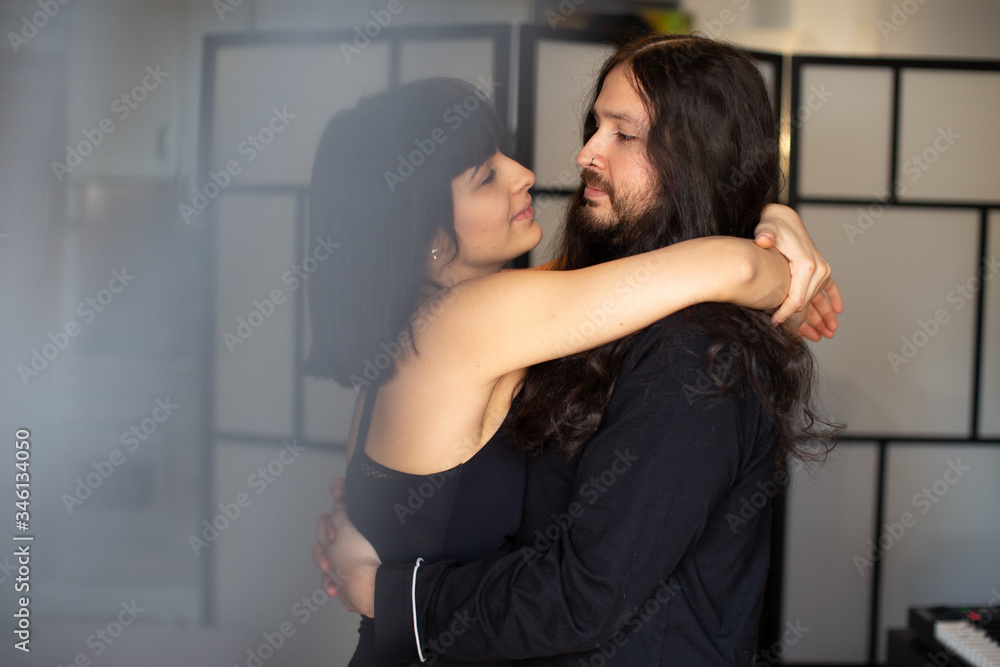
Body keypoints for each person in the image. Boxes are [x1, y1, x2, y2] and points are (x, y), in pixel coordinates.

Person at [314, 34, 842, 666]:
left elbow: (636, 275)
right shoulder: (483, 316)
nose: (575, 156)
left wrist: (767, 219)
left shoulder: (683, 345)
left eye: (622, 133)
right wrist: (775, 261)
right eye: (485, 175)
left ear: (697, 157)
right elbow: (727, 268)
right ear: (427, 235)